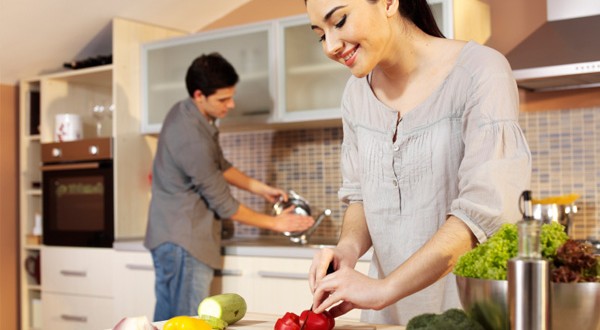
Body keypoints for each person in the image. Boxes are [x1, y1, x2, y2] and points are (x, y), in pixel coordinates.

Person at [304, 0, 532, 325]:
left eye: (339, 21)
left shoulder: (480, 70)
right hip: (386, 317)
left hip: (467, 314)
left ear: (388, 3)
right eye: (319, 35)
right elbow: (361, 197)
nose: (330, 46)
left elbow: (482, 212)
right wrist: (347, 250)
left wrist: (384, 289)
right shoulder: (355, 93)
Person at [144, 52, 315, 321]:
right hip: (184, 242)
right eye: (223, 99)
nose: (231, 104)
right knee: (189, 324)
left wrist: (260, 188)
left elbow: (218, 165)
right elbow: (224, 204)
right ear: (199, 95)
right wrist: (276, 224)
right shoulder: (190, 135)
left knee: (166, 322)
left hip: (169, 237)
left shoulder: (186, 112)